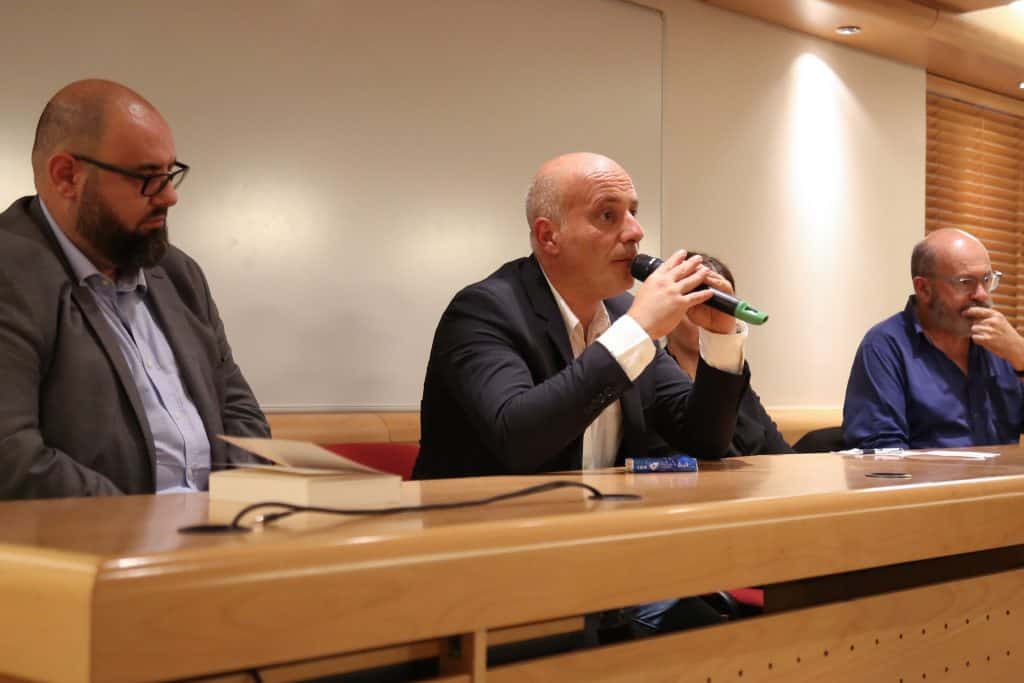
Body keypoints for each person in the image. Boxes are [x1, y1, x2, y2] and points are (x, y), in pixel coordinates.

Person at [0, 79, 269, 499]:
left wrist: (234, 508)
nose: (169, 196)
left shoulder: (179, 274)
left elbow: (239, 412)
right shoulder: (10, 273)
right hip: (89, 536)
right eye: (146, 177)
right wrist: (146, 522)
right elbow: (12, 457)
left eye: (170, 173)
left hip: (216, 529)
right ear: (67, 176)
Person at [414, 152, 751, 479]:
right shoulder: (482, 311)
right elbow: (516, 440)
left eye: (633, 212)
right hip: (483, 516)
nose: (636, 231)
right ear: (549, 236)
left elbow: (702, 440)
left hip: (602, 514)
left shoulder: (622, 312)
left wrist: (721, 338)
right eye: (607, 215)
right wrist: (636, 330)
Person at [843, 228, 1024, 449]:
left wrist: (1021, 356)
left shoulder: (1002, 345)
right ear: (924, 288)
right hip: (930, 473)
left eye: (986, 279)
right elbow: (882, 453)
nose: (982, 294)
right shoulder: (884, 347)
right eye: (965, 282)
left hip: (1005, 473)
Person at [665, 253, 792, 455]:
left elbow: (781, 453)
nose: (707, 314)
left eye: (719, 303)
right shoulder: (654, 378)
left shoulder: (732, 376)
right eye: (697, 300)